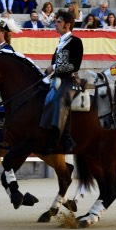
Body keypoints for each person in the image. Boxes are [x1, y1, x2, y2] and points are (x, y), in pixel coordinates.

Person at [39, 9, 83, 153]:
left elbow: (75, 65)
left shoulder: (76, 42)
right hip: (58, 79)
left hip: (70, 80)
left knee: (60, 99)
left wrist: (54, 66)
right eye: (56, 21)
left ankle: (61, 138)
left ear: (68, 25)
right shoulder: (61, 42)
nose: (55, 24)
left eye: (59, 22)